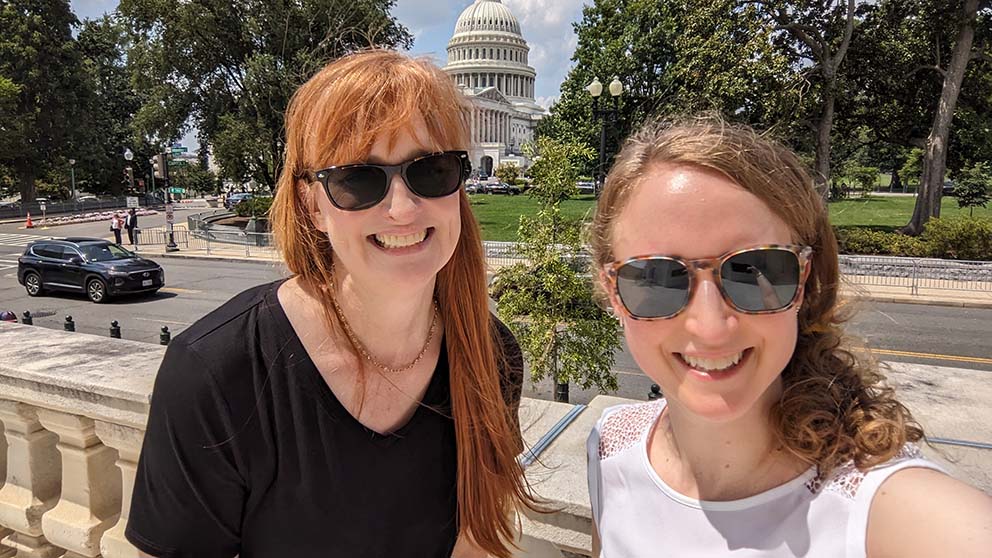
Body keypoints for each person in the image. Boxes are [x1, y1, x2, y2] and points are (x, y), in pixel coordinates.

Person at [126, 50, 540, 558]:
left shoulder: (492, 357)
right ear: (312, 205)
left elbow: (476, 542)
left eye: (430, 171)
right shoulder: (216, 373)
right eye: (358, 180)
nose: (403, 208)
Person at [586, 117, 992, 557]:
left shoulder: (889, 514)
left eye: (755, 270)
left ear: (805, 279)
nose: (710, 325)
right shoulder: (609, 449)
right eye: (657, 278)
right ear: (612, 291)